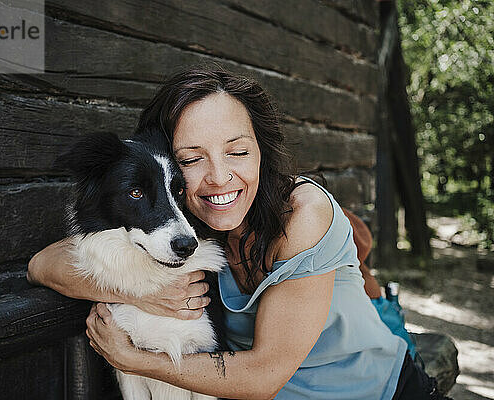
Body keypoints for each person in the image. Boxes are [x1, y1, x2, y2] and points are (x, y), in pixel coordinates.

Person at [27, 68, 448, 399]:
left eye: (238, 152)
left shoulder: (303, 213)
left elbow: (263, 376)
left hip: (383, 394)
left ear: (263, 150)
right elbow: (43, 264)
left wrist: (132, 358)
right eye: (192, 159)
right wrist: (139, 291)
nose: (219, 177)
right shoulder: (186, 223)